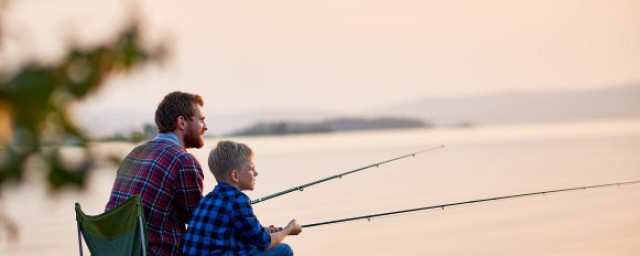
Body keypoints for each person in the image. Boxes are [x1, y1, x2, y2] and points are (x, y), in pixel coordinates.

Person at [105, 91, 208, 255]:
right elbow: (200, 222)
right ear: (182, 122)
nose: (205, 127)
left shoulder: (135, 153)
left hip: (119, 251)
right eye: (201, 120)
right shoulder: (183, 161)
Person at [183, 140, 302, 256]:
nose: (256, 173)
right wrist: (288, 229)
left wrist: (265, 231)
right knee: (284, 250)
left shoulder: (207, 199)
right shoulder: (238, 200)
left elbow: (237, 233)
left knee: (250, 245)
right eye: (251, 169)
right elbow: (265, 243)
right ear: (235, 175)